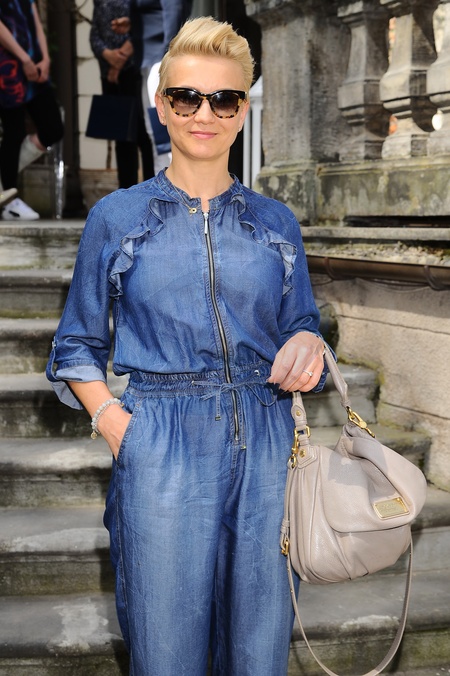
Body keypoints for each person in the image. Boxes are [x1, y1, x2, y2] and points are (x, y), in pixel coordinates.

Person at [46, 17, 329, 675]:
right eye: (187, 97)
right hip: (161, 443)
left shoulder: (275, 221)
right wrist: (116, 424)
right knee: (166, 648)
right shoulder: (117, 218)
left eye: (223, 99)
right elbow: (76, 344)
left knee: (259, 648)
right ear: (161, 104)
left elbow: (304, 323)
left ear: (243, 111)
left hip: (267, 444)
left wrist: (307, 345)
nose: (205, 114)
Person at [111, 0, 193, 173]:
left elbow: (174, 11)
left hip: (160, 63)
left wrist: (169, 60)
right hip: (150, 61)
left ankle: (174, 187)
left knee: (164, 135)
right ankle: (166, 185)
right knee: (157, 134)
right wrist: (135, 23)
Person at [0, 0, 64, 220]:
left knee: (53, 128)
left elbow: (34, 20)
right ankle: (9, 200)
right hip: (7, 66)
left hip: (34, 63)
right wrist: (24, 59)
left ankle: (3, 182)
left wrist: (45, 58)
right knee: (14, 131)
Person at [89, 0, 154, 189]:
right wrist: (107, 55)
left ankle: (152, 189)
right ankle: (126, 191)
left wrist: (118, 63)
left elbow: (143, 28)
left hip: (134, 72)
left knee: (144, 134)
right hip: (110, 76)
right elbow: (94, 35)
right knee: (122, 136)